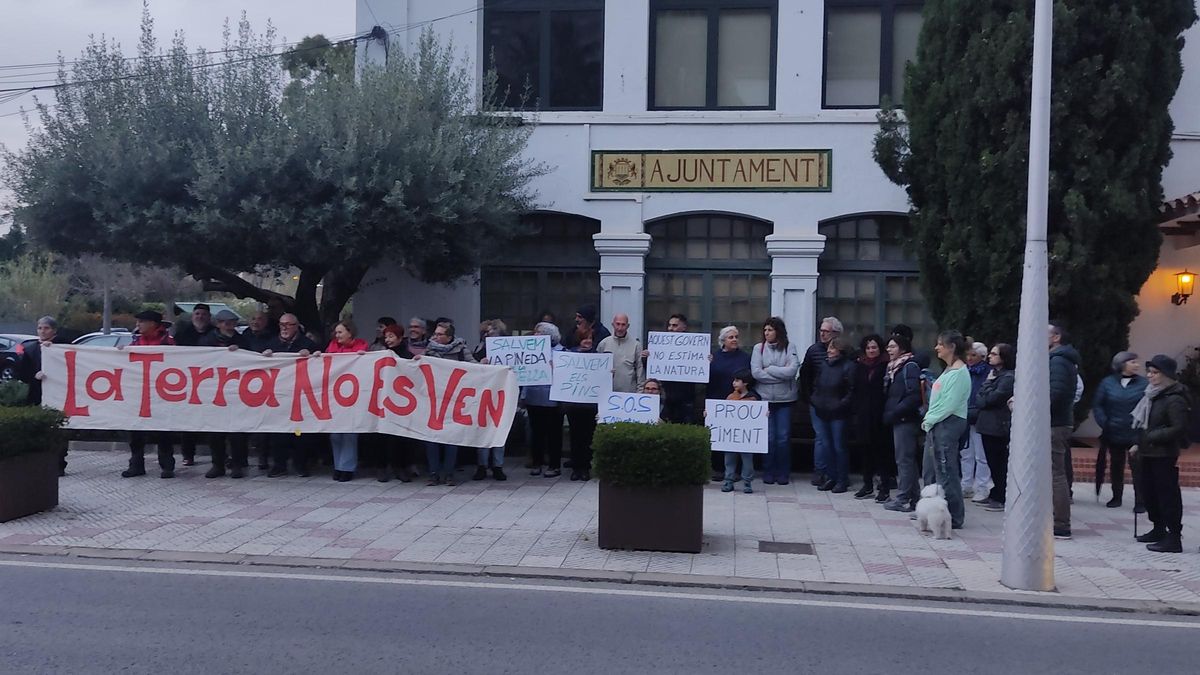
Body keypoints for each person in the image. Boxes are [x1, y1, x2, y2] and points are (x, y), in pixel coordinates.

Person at [1131, 355, 1191, 553]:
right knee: (1149, 492)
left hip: (1164, 453)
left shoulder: (1175, 398)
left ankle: (1173, 536)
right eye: (1149, 372)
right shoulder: (1152, 395)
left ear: (1167, 375)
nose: (1150, 376)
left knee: (1167, 495)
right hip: (1148, 452)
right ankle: (1158, 528)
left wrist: (1152, 436)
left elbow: (1179, 427)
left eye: (1155, 372)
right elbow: (1145, 423)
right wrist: (1139, 443)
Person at [921, 330, 971, 529]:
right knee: (931, 470)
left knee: (946, 472)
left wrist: (929, 419)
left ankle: (955, 517)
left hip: (947, 423)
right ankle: (931, 512)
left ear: (951, 347)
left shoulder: (960, 373)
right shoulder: (949, 370)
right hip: (937, 423)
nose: (937, 348)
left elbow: (949, 404)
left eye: (940, 344)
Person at [121, 310, 177, 479]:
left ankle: (167, 465)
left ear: (153, 324)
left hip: (162, 394)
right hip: (139, 393)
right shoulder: (135, 341)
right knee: (136, 432)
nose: (137, 325)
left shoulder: (168, 342)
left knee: (163, 431)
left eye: (141, 322)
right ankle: (136, 464)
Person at [262, 314, 318, 477]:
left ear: (296, 326)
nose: (284, 328)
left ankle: (300, 464)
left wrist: (312, 355)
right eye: (281, 325)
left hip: (300, 399)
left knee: (299, 433)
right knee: (278, 433)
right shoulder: (271, 344)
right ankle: (279, 465)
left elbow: (321, 362)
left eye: (288, 325)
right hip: (277, 397)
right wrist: (262, 357)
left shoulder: (308, 344)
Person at [1092, 351, 1148, 510]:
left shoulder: (1144, 384)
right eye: (1133, 362)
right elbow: (1098, 405)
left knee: (1138, 468)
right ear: (1122, 364)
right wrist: (1104, 422)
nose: (1137, 365)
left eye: (1137, 362)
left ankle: (1141, 501)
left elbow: (1147, 407)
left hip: (1135, 432)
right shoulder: (1107, 383)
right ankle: (1116, 497)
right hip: (1113, 431)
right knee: (1116, 466)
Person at [200, 309, 251, 478]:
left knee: (237, 432)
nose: (230, 327)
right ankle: (218, 464)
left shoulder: (242, 340)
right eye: (226, 323)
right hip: (213, 391)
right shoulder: (207, 341)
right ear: (218, 324)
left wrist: (241, 352)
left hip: (236, 392)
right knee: (215, 432)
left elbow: (252, 359)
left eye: (233, 323)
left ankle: (237, 464)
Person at [422, 321, 474, 485]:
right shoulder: (429, 350)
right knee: (431, 438)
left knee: (451, 438)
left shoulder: (461, 349)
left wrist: (485, 365)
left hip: (453, 399)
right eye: (435, 334)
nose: (435, 337)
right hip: (434, 399)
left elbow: (473, 365)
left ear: (449, 337)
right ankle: (433, 472)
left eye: (440, 334)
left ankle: (449, 473)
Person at [751, 316, 800, 485]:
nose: (766, 333)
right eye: (765, 330)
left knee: (783, 437)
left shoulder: (789, 347)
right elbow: (756, 373)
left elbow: (792, 371)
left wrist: (770, 369)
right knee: (769, 437)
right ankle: (768, 470)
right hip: (765, 399)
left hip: (785, 400)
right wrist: (780, 375)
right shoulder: (759, 348)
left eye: (770, 330)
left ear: (778, 331)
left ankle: (783, 471)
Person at [18, 316, 68, 475]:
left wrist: (54, 347)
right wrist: (34, 375)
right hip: (37, 394)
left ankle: (60, 463)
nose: (42, 331)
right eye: (40, 328)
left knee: (58, 429)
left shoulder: (62, 345)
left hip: (59, 394)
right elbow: (22, 373)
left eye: (46, 328)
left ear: (54, 330)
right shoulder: (31, 348)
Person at [800, 317, 843, 486]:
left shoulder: (844, 351)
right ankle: (820, 471)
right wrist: (809, 397)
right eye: (821, 330)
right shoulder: (813, 350)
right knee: (821, 437)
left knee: (836, 439)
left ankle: (836, 473)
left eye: (826, 331)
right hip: (817, 401)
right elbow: (805, 375)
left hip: (838, 403)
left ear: (836, 334)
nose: (822, 334)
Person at [323, 320, 368, 482]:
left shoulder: (361, 348)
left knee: (349, 432)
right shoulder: (331, 347)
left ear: (350, 332)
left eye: (340, 332)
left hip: (353, 396)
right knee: (335, 434)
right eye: (336, 332)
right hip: (334, 395)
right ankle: (338, 465)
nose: (337, 335)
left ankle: (347, 468)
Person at [882, 334, 923, 511]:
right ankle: (913, 497)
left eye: (892, 347)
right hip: (898, 418)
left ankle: (903, 497)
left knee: (904, 459)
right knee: (907, 459)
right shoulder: (894, 368)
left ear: (902, 348)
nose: (889, 350)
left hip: (906, 419)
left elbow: (913, 396)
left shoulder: (909, 366)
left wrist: (895, 412)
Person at [811, 336, 856, 493]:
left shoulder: (849, 367)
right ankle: (831, 477)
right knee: (827, 446)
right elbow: (816, 385)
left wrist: (839, 405)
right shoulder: (824, 365)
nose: (828, 351)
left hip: (839, 413)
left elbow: (851, 391)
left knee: (839, 447)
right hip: (822, 410)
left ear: (840, 350)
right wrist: (815, 400)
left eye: (832, 348)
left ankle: (842, 479)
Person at [172, 303, 215, 467]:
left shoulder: (215, 334)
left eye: (203, 314)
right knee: (188, 422)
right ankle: (188, 455)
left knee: (214, 422)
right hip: (187, 384)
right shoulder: (182, 334)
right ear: (192, 316)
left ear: (209, 317)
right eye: (197, 314)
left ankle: (218, 456)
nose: (200, 317)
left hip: (211, 384)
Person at [1048, 321, 1080, 539]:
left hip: (1054, 424)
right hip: (1055, 422)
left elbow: (1055, 393)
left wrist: (1031, 407)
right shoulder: (1059, 360)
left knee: (1055, 473)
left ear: (1056, 337)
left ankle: (1061, 524)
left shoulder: (1058, 361)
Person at [851, 334, 893, 500]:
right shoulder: (859, 365)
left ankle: (884, 487)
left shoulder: (886, 365)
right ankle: (867, 485)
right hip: (863, 415)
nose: (871, 351)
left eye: (874, 347)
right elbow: (855, 389)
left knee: (882, 453)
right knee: (865, 451)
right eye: (868, 348)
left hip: (880, 414)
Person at [708, 325, 752, 481]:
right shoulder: (714, 357)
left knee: (736, 436)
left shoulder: (745, 357)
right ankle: (718, 469)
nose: (734, 340)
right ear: (723, 340)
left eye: (736, 337)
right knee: (719, 435)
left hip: (738, 402)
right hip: (717, 399)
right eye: (731, 337)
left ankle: (737, 471)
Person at [975, 343, 1015, 511]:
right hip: (987, 425)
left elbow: (990, 399)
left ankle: (1001, 495)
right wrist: (988, 385)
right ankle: (996, 492)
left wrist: (987, 387)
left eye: (994, 354)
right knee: (992, 461)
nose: (990, 356)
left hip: (997, 426)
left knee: (998, 462)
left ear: (1004, 357)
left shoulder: (1007, 377)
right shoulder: (993, 375)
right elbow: (979, 398)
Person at [373, 324, 415, 482]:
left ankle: (401, 467)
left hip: (401, 402)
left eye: (391, 336)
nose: (388, 340)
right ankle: (381, 467)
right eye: (386, 337)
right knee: (381, 436)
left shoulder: (407, 355)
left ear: (399, 337)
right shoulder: (380, 354)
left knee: (400, 437)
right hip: (382, 400)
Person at [524, 321, 565, 478]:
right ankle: (537, 463)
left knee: (554, 433)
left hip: (553, 399)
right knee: (536, 433)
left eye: (538, 332)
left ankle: (554, 465)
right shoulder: (529, 351)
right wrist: (523, 395)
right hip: (534, 397)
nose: (535, 335)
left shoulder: (561, 352)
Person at [564, 326, 599, 481]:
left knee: (588, 437)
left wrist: (608, 373)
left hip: (590, 405)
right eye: (585, 338)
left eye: (590, 339)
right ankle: (576, 467)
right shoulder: (569, 356)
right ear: (579, 340)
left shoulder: (598, 357)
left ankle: (585, 467)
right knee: (575, 436)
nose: (588, 342)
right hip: (574, 404)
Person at [962, 342, 993, 503]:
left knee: (981, 455)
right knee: (966, 454)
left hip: (980, 416)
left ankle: (982, 487)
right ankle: (966, 485)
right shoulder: (964, 371)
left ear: (982, 357)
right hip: (964, 415)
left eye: (973, 355)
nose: (969, 358)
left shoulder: (988, 373)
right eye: (968, 355)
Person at [655, 313, 699, 425]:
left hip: (686, 398)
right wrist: (647, 357)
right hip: (666, 396)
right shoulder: (660, 344)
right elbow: (652, 366)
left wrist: (707, 360)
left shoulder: (695, 346)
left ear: (684, 327)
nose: (671, 328)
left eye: (674, 325)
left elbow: (701, 367)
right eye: (669, 325)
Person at [721, 369, 760, 494]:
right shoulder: (730, 397)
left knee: (747, 459)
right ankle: (728, 480)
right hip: (731, 436)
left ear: (746, 383)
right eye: (734, 380)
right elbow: (722, 414)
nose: (734, 383)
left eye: (737, 380)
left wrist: (764, 414)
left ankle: (747, 482)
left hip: (746, 437)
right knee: (729, 459)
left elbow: (757, 416)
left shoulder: (753, 399)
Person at [598, 313, 645, 394]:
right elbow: (597, 369)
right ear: (613, 325)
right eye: (618, 324)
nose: (620, 328)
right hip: (608, 393)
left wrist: (640, 393)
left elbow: (640, 371)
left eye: (623, 325)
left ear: (628, 326)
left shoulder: (636, 345)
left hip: (629, 394)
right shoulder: (604, 344)